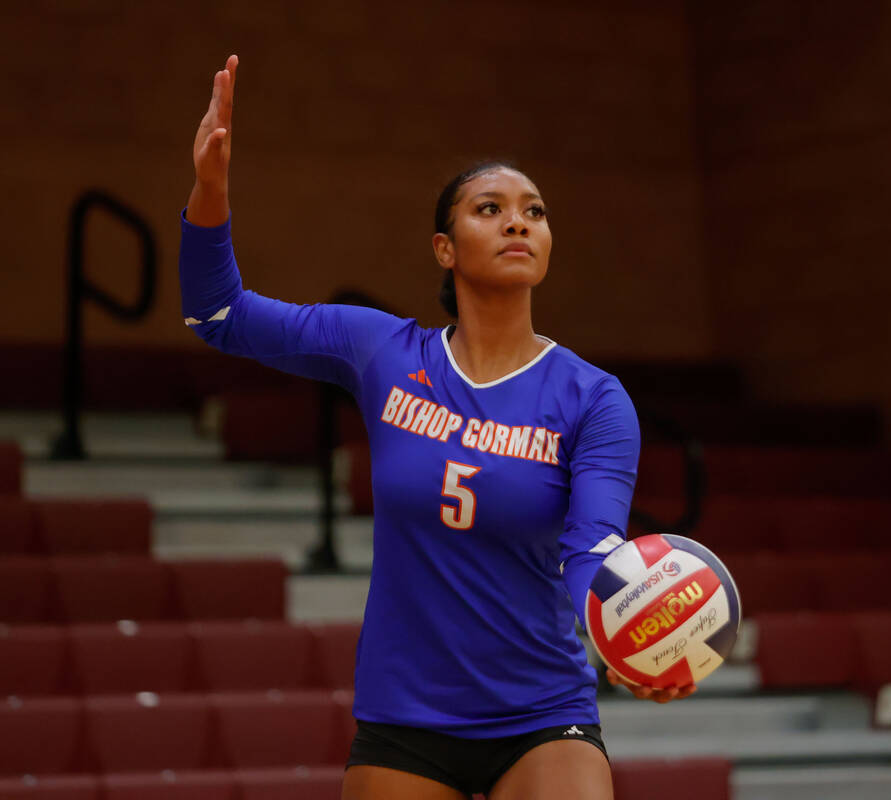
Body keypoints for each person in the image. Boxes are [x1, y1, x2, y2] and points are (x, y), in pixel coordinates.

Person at [181, 55, 697, 800]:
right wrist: (209, 190)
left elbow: (592, 548)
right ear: (444, 249)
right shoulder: (382, 352)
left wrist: (627, 641)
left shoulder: (595, 399)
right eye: (490, 207)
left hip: (543, 712)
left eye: (535, 210)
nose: (518, 218)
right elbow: (218, 315)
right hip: (406, 718)